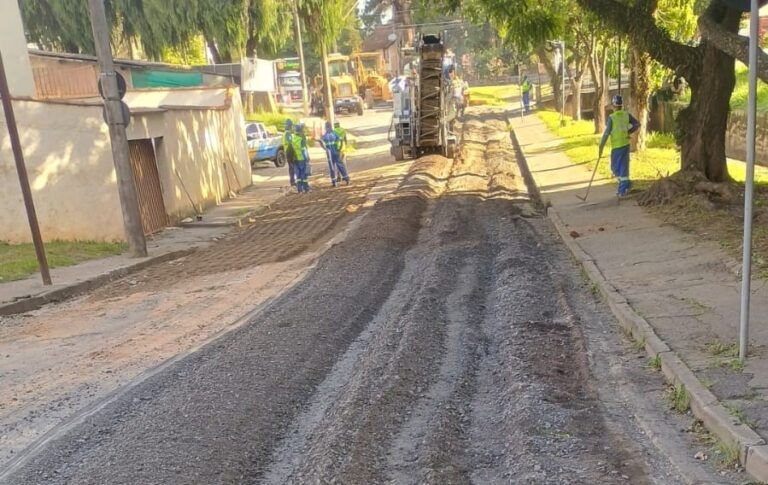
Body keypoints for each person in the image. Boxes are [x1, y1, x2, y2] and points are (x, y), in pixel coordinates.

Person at [598, 95, 640, 197]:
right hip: (625, 145)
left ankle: (622, 190)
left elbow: (607, 133)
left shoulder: (612, 118)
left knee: (616, 168)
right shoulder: (626, 115)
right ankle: (626, 184)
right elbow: (637, 124)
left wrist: (601, 147)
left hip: (617, 146)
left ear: (613, 106)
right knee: (621, 167)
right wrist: (628, 132)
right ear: (621, 105)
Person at [320, 121, 349, 187]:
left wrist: (325, 148)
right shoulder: (334, 134)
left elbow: (321, 141)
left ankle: (334, 182)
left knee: (332, 167)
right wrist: (340, 148)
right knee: (340, 165)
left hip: (329, 154)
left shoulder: (324, 136)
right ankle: (346, 178)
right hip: (336, 152)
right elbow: (341, 140)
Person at [292, 123, 311, 193]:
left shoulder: (293, 139)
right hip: (302, 159)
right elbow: (304, 151)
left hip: (295, 159)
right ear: (300, 131)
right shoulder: (301, 140)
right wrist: (307, 158)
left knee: (298, 175)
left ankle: (299, 189)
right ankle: (306, 188)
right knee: (304, 175)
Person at [282, 119, 296, 187]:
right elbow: (290, 142)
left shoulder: (285, 133)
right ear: (290, 126)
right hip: (289, 151)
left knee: (291, 167)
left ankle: (292, 181)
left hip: (287, 151)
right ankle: (293, 182)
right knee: (292, 167)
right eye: (292, 126)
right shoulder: (288, 133)